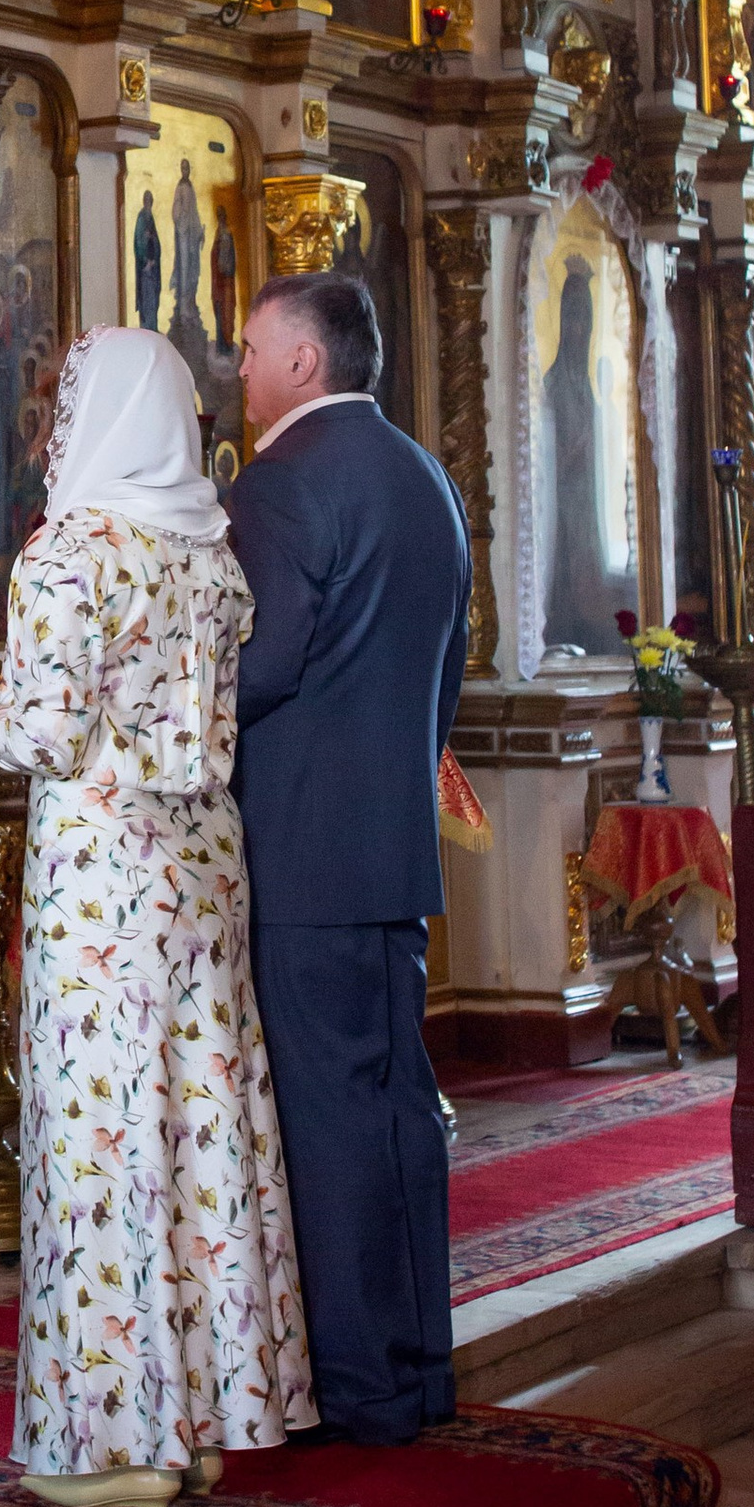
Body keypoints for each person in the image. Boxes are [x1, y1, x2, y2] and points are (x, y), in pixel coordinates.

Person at [0, 325, 312, 1507]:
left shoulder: (69, 553)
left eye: (66, 408)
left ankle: (119, 1445)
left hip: (105, 878)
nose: (53, 430)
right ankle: (204, 1423)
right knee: (197, 1135)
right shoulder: (208, 553)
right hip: (204, 865)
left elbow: (44, 740)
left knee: (101, 1143)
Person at [226, 270, 471, 1446]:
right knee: (397, 1111)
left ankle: (360, 1386)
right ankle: (419, 1370)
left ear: (303, 362)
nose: (239, 369)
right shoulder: (423, 476)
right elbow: (445, 670)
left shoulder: (280, 481)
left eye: (250, 348)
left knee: (325, 1121)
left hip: (298, 852)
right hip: (388, 846)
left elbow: (259, 666)